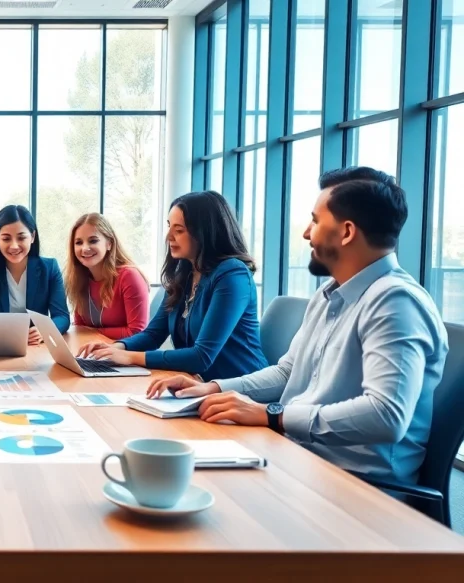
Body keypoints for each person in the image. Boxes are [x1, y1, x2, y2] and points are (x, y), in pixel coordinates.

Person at [147, 168, 448, 483]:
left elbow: (385, 416)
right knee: (171, 464)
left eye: (316, 221)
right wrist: (215, 388)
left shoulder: (396, 302)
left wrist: (272, 416)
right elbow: (286, 372)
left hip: (354, 480)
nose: (307, 233)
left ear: (346, 232)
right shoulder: (329, 294)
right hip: (300, 455)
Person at [78, 191, 267, 381]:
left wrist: (129, 357)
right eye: (169, 227)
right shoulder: (184, 274)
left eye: (179, 230)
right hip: (198, 385)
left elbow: (201, 357)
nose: (168, 236)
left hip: (241, 390)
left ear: (204, 232)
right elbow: (153, 335)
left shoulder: (232, 275)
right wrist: (117, 347)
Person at [0, 205, 69, 345]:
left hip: (36, 347)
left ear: (32, 237)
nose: (14, 246)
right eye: (6, 239)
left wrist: (46, 330)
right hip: (0, 345)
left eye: (21, 238)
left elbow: (62, 316)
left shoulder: (49, 267)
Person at [65, 213, 150, 339]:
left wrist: (93, 333)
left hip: (127, 355)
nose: (85, 248)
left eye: (93, 241)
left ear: (109, 243)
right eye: (78, 242)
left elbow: (137, 332)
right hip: (95, 354)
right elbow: (80, 328)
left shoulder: (129, 276)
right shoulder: (78, 279)